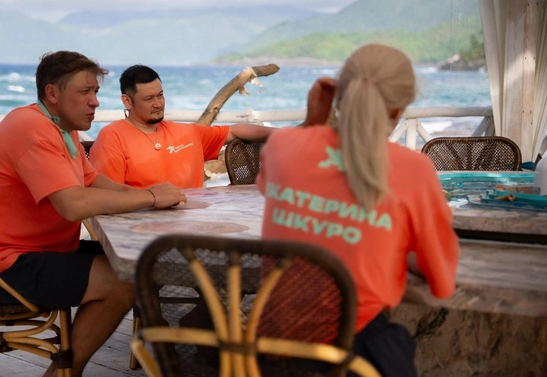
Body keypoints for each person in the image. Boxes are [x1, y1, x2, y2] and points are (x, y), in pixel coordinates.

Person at [0, 51, 187, 377]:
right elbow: (73, 204)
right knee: (124, 280)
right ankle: (65, 373)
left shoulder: (60, 126)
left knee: (135, 262)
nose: (95, 102)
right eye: (85, 92)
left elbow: (91, 179)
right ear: (53, 93)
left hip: (25, 252)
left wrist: (148, 195)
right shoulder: (34, 130)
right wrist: (149, 198)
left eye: (96, 92)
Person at [256, 44, 459, 376]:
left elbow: (268, 187)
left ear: (338, 98)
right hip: (354, 359)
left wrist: (312, 121)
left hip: (272, 355)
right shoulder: (413, 170)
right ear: (399, 109)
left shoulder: (282, 145)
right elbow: (443, 282)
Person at [89, 64, 273, 188]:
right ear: (127, 101)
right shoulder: (112, 139)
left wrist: (284, 134)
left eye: (160, 95)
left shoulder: (187, 132)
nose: (158, 104)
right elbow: (109, 198)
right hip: (142, 228)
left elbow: (235, 131)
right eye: (149, 98)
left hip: (196, 224)